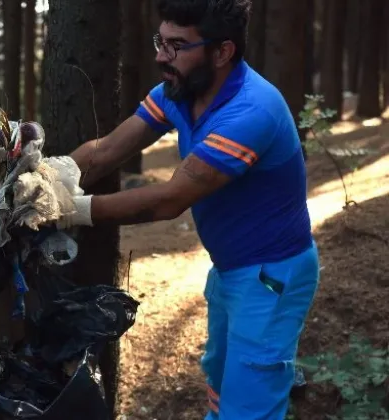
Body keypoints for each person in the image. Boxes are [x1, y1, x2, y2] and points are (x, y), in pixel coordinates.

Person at [58, 0, 319, 419]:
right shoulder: (179, 90)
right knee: (220, 379)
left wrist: (70, 210)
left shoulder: (250, 112)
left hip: (272, 276)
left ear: (222, 52)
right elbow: (106, 152)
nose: (161, 54)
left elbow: (170, 199)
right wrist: (50, 178)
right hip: (231, 269)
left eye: (177, 45)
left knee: (250, 401)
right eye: (161, 40)